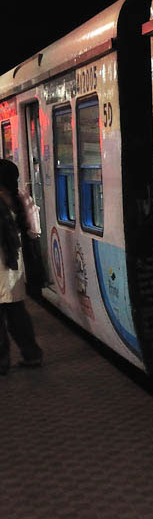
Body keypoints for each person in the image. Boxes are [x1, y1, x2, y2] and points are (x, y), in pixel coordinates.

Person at [0, 158, 43, 375]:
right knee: (18, 315)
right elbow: (34, 231)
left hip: (2, 266)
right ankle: (32, 354)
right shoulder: (21, 197)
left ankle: (3, 362)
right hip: (14, 266)